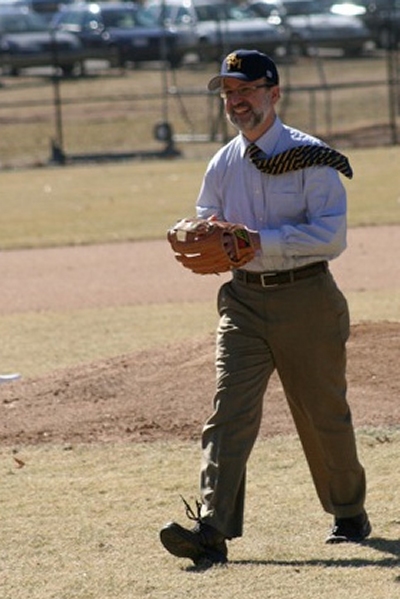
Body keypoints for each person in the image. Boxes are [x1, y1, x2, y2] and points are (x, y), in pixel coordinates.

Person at [160, 49, 371, 567]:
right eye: (229, 93)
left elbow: (330, 235)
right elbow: (209, 218)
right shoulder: (223, 162)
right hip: (244, 302)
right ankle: (212, 528)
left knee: (323, 415)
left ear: (273, 94)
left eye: (246, 90)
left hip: (307, 297)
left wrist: (259, 240)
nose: (236, 102)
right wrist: (200, 229)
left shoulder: (311, 156)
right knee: (228, 411)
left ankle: (349, 513)